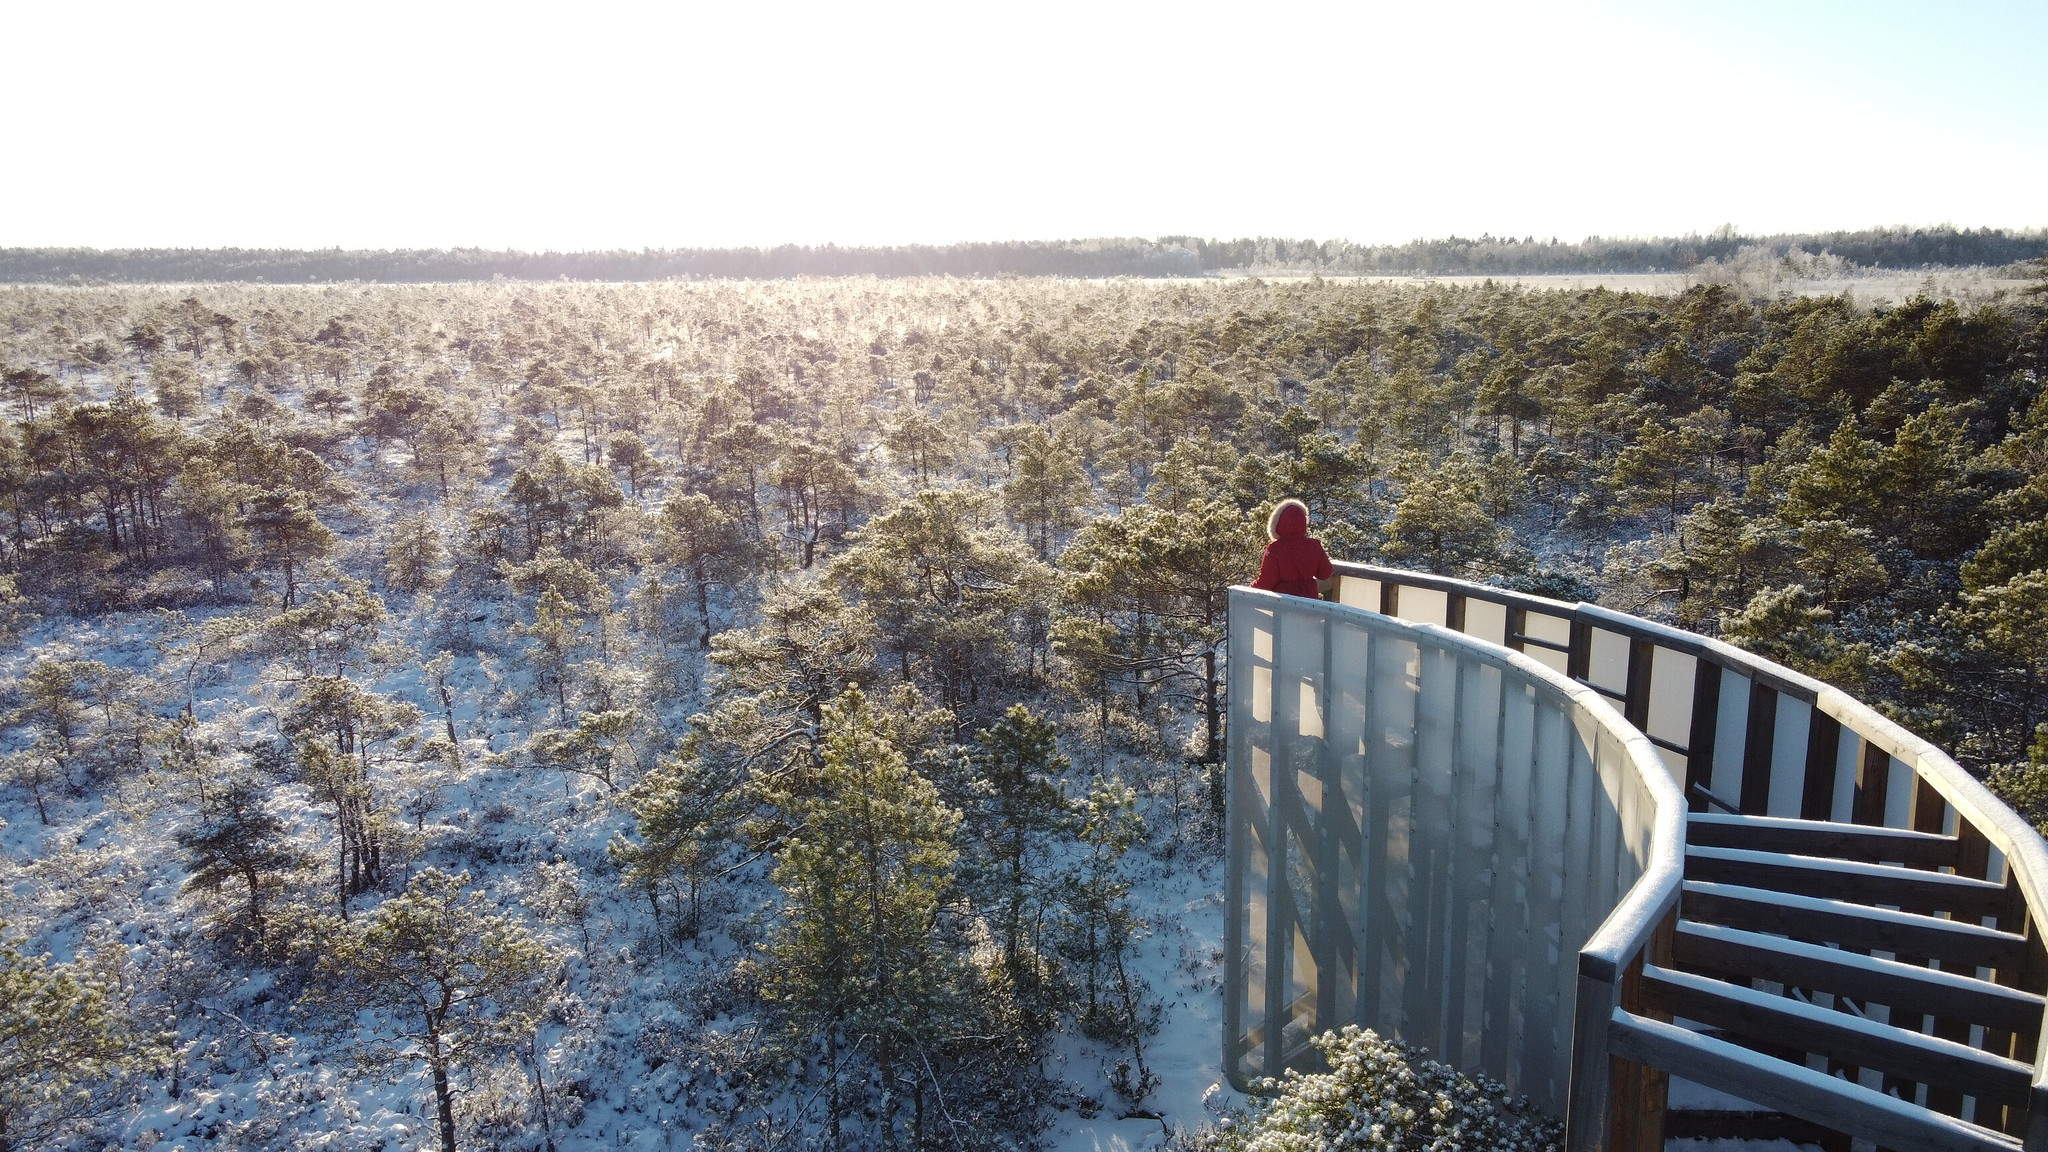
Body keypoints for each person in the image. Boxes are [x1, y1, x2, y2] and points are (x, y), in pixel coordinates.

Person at [1253, 498, 1335, 600]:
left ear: (1278, 523)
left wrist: (1247, 591)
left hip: (1283, 605)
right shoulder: (1314, 545)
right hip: (1310, 604)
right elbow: (1325, 573)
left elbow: (1266, 582)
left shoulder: (1275, 548)